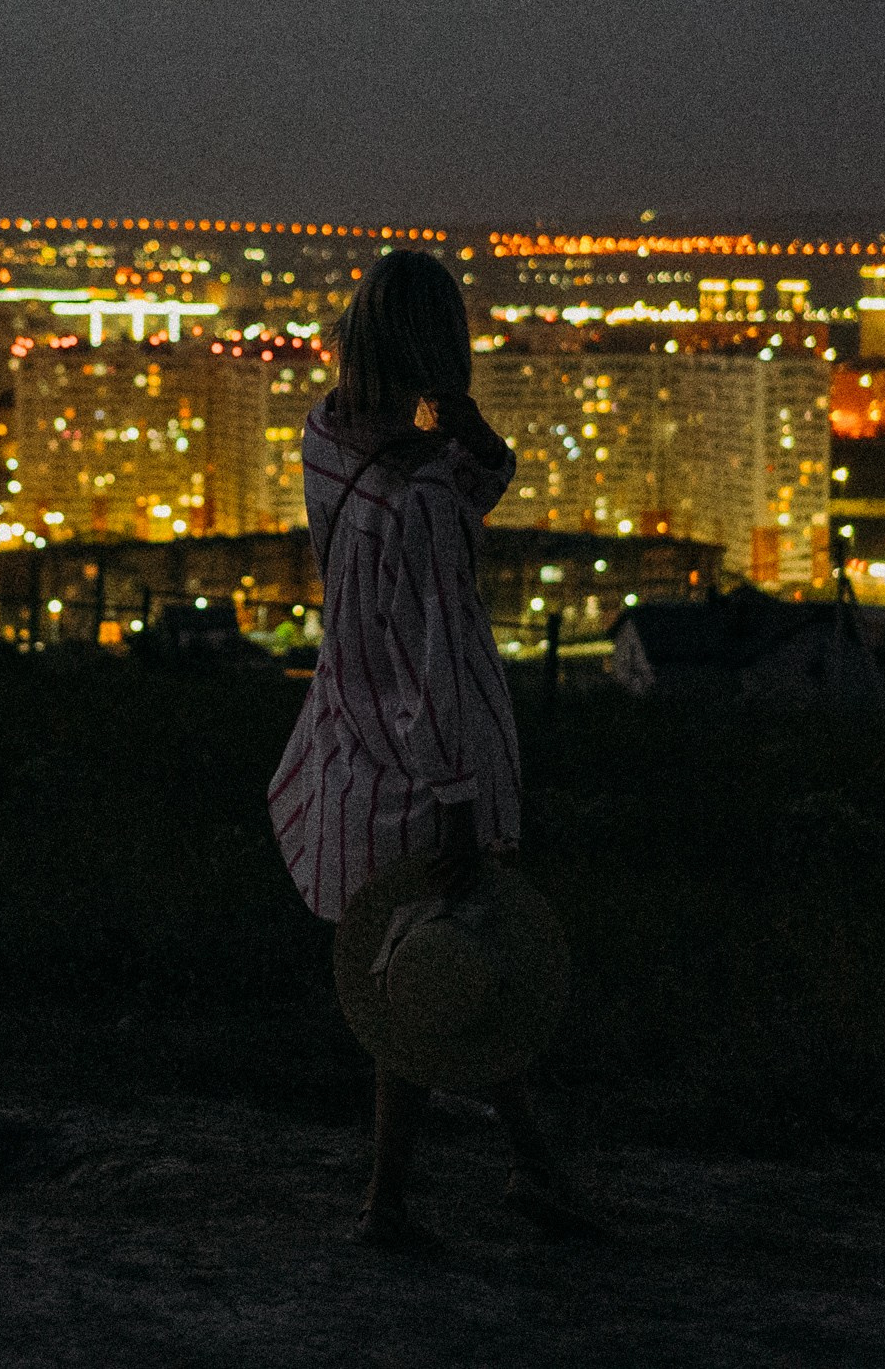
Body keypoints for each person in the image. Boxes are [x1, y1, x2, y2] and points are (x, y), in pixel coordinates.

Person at [266, 248, 596, 1249]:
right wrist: (457, 798)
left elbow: (462, 494)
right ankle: (389, 1205)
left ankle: (523, 1167)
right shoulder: (423, 503)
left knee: (444, 971)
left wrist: (473, 442)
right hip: (425, 767)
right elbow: (442, 661)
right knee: (435, 972)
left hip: (351, 739)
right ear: (439, 351)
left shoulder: (327, 437)